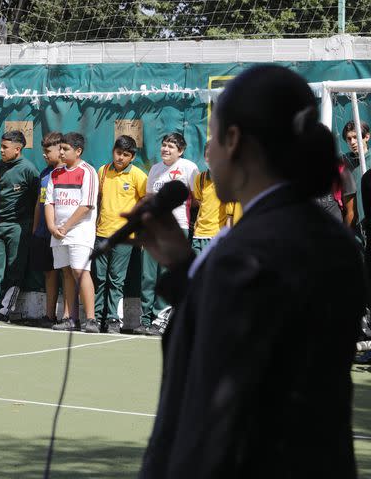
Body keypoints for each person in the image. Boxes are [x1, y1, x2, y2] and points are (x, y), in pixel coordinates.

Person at [136, 64, 364, 478]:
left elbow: (215, 406)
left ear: (235, 140)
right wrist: (183, 264)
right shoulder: (331, 241)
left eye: (213, 141)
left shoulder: (247, 254)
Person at [0, 130, 39, 322]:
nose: (1, 150)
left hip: (19, 227)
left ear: (18, 149)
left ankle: (4, 310)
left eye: (5, 147)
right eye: (1, 146)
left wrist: (32, 227)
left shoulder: (29, 169)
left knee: (14, 269)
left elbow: (38, 201)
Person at [137, 132, 198, 335]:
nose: (166, 149)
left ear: (180, 151)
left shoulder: (189, 168)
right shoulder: (155, 169)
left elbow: (197, 199)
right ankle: (144, 319)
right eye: (164, 145)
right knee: (148, 276)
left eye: (171, 146)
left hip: (176, 227)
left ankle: (160, 320)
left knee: (166, 275)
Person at [44, 132, 99, 333]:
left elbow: (87, 204)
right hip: (58, 232)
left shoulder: (88, 172)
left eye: (65, 149)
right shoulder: (55, 174)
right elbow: (49, 202)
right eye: (60, 148)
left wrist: (66, 227)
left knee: (80, 271)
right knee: (66, 272)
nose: (61, 152)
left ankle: (91, 319)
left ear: (78, 151)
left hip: (80, 231)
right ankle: (70, 318)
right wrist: (52, 227)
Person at [93, 135, 147, 333]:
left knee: (116, 279)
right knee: (99, 278)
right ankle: (97, 318)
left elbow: (146, 199)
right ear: (113, 152)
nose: (120, 158)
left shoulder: (138, 175)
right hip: (101, 233)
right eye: (118, 153)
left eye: (125, 155)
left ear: (132, 157)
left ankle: (114, 319)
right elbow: (98, 198)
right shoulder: (103, 171)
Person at [32, 132, 65, 328]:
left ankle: (70, 316)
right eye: (43, 151)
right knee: (49, 273)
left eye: (48, 151)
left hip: (62, 233)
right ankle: (49, 315)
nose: (45, 155)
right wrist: (36, 229)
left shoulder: (69, 172)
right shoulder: (44, 173)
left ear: (61, 151)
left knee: (68, 274)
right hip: (43, 234)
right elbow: (39, 203)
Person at [190, 142, 233, 254]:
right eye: (208, 155)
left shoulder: (228, 181)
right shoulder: (200, 178)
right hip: (198, 235)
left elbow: (230, 215)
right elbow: (201, 204)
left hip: (217, 236)